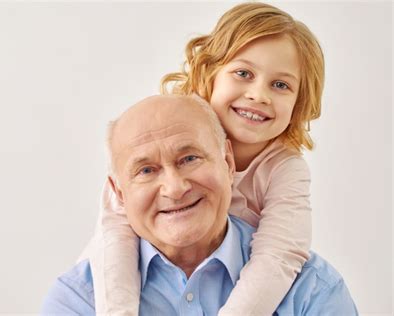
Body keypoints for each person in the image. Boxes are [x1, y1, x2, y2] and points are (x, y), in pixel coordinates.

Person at [78, 2, 326, 315]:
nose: (259, 95)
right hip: (130, 288)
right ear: (209, 73)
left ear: (300, 102)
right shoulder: (161, 131)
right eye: (243, 73)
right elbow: (116, 236)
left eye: (281, 84)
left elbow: (280, 253)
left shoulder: (284, 168)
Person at [41, 95, 357, 315]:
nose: (175, 188)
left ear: (228, 162)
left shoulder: (312, 290)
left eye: (190, 158)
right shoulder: (79, 301)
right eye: (146, 170)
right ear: (118, 194)